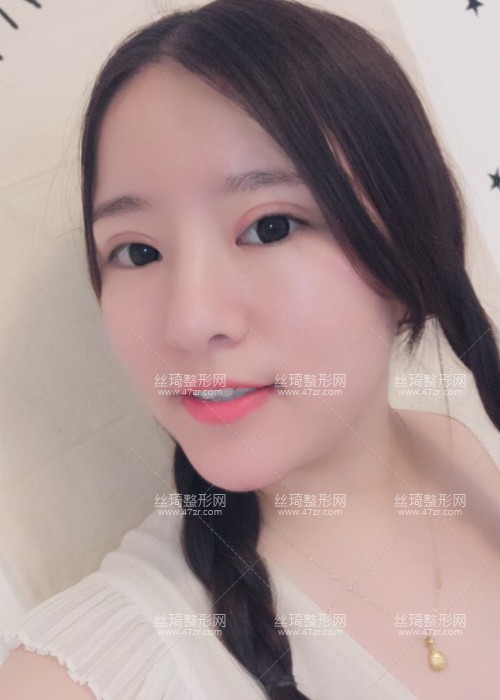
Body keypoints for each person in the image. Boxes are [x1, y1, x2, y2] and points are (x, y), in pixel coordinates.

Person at [1, 0, 499, 697]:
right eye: (138, 251)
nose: (190, 321)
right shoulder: (77, 677)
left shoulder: (466, 450)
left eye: (270, 227)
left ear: (408, 249)